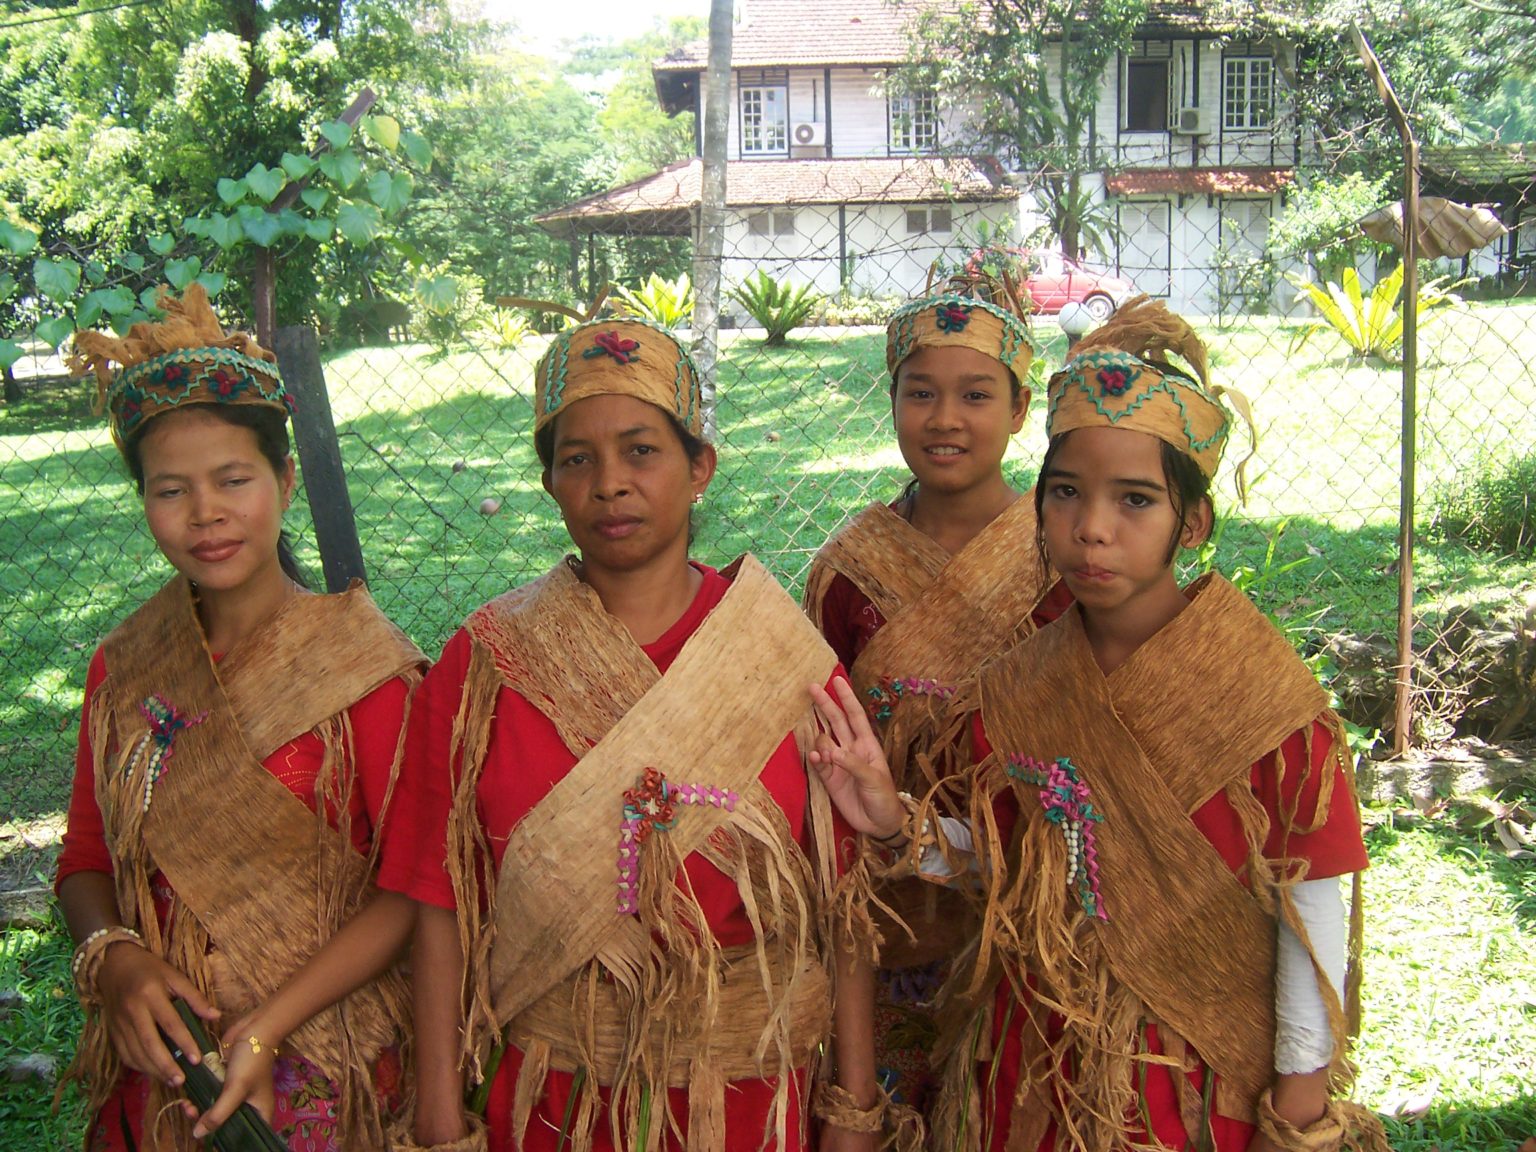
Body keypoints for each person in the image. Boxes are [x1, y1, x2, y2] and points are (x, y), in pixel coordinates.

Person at [807, 298, 1386, 1152]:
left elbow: (1313, 914)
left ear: (1191, 523)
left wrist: (1297, 1112)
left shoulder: (1265, 699)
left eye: (1136, 501)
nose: (1093, 530)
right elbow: (999, 862)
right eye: (1067, 494)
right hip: (1026, 1073)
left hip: (1189, 1089)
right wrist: (898, 823)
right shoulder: (1018, 687)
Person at [378, 315, 880, 1152]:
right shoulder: (485, 665)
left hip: (755, 1097)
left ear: (699, 469)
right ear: (549, 482)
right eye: (578, 459)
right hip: (555, 1100)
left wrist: (854, 1109)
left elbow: (844, 897)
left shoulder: (777, 653)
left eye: (642, 451)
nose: (610, 483)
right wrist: (439, 1113)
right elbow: (437, 896)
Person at [56, 285, 424, 1151]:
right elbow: (82, 861)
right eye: (170, 490)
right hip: (167, 1072)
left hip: (335, 1066)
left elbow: (409, 889)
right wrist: (114, 956)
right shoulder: (126, 669)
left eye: (233, 480)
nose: (206, 514)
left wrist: (266, 1026)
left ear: (285, 480)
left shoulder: (364, 669)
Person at [801, 273, 1071, 1117]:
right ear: (891, 402)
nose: (944, 418)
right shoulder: (849, 572)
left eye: (975, 395)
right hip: (882, 913)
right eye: (920, 393)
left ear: (1021, 411)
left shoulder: (1064, 563)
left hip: (1032, 897)